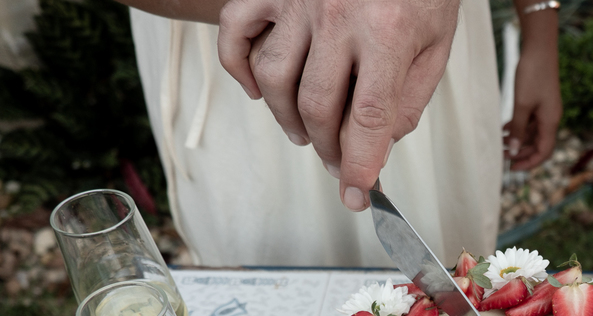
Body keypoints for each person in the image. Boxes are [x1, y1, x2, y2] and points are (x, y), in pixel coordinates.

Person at [118, 0, 561, 267]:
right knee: (267, 292)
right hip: (242, 58)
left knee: (453, 262)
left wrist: (540, 24)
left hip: (423, 38)